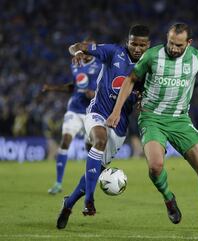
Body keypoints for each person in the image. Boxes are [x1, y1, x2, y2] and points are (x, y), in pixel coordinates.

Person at [106, 23, 198, 229]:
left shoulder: (197, 59)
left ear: (189, 43)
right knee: (155, 166)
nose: (173, 48)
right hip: (152, 119)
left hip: (180, 120)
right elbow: (131, 79)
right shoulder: (152, 55)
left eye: (178, 45)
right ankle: (168, 197)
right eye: (170, 43)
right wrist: (116, 111)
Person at [56, 25, 150, 229]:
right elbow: (76, 46)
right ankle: (90, 199)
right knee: (99, 139)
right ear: (128, 41)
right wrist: (79, 51)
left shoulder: (149, 66)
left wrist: (143, 101)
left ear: (148, 45)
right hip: (98, 110)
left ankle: (69, 203)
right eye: (133, 43)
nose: (137, 48)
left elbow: (144, 95)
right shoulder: (113, 51)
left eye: (142, 45)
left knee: (96, 170)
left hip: (120, 125)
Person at [44, 40, 101, 195]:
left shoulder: (101, 63)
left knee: (91, 148)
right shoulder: (76, 62)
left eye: (90, 47)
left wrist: (95, 94)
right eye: (84, 46)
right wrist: (53, 88)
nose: (87, 49)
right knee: (65, 140)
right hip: (74, 109)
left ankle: (93, 179)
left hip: (91, 112)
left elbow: (107, 87)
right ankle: (58, 183)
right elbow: (73, 86)